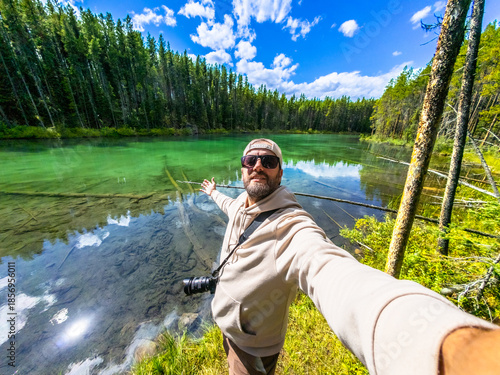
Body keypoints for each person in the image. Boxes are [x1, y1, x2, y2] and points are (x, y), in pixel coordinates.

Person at [200, 138, 499, 375]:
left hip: (252, 347)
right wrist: (213, 193)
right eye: (250, 160)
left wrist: (436, 339)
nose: (258, 166)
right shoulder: (242, 203)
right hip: (229, 327)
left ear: (280, 172)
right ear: (241, 168)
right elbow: (231, 207)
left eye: (268, 161)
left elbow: (331, 270)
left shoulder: (290, 226)